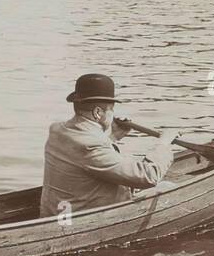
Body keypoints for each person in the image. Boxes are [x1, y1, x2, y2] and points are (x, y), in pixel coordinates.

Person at [40, 74, 177, 218]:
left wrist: (113, 136)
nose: (113, 114)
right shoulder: (92, 144)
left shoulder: (57, 130)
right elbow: (149, 176)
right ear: (98, 113)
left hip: (56, 212)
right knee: (169, 188)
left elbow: (86, 160)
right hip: (81, 220)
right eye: (111, 109)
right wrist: (163, 143)